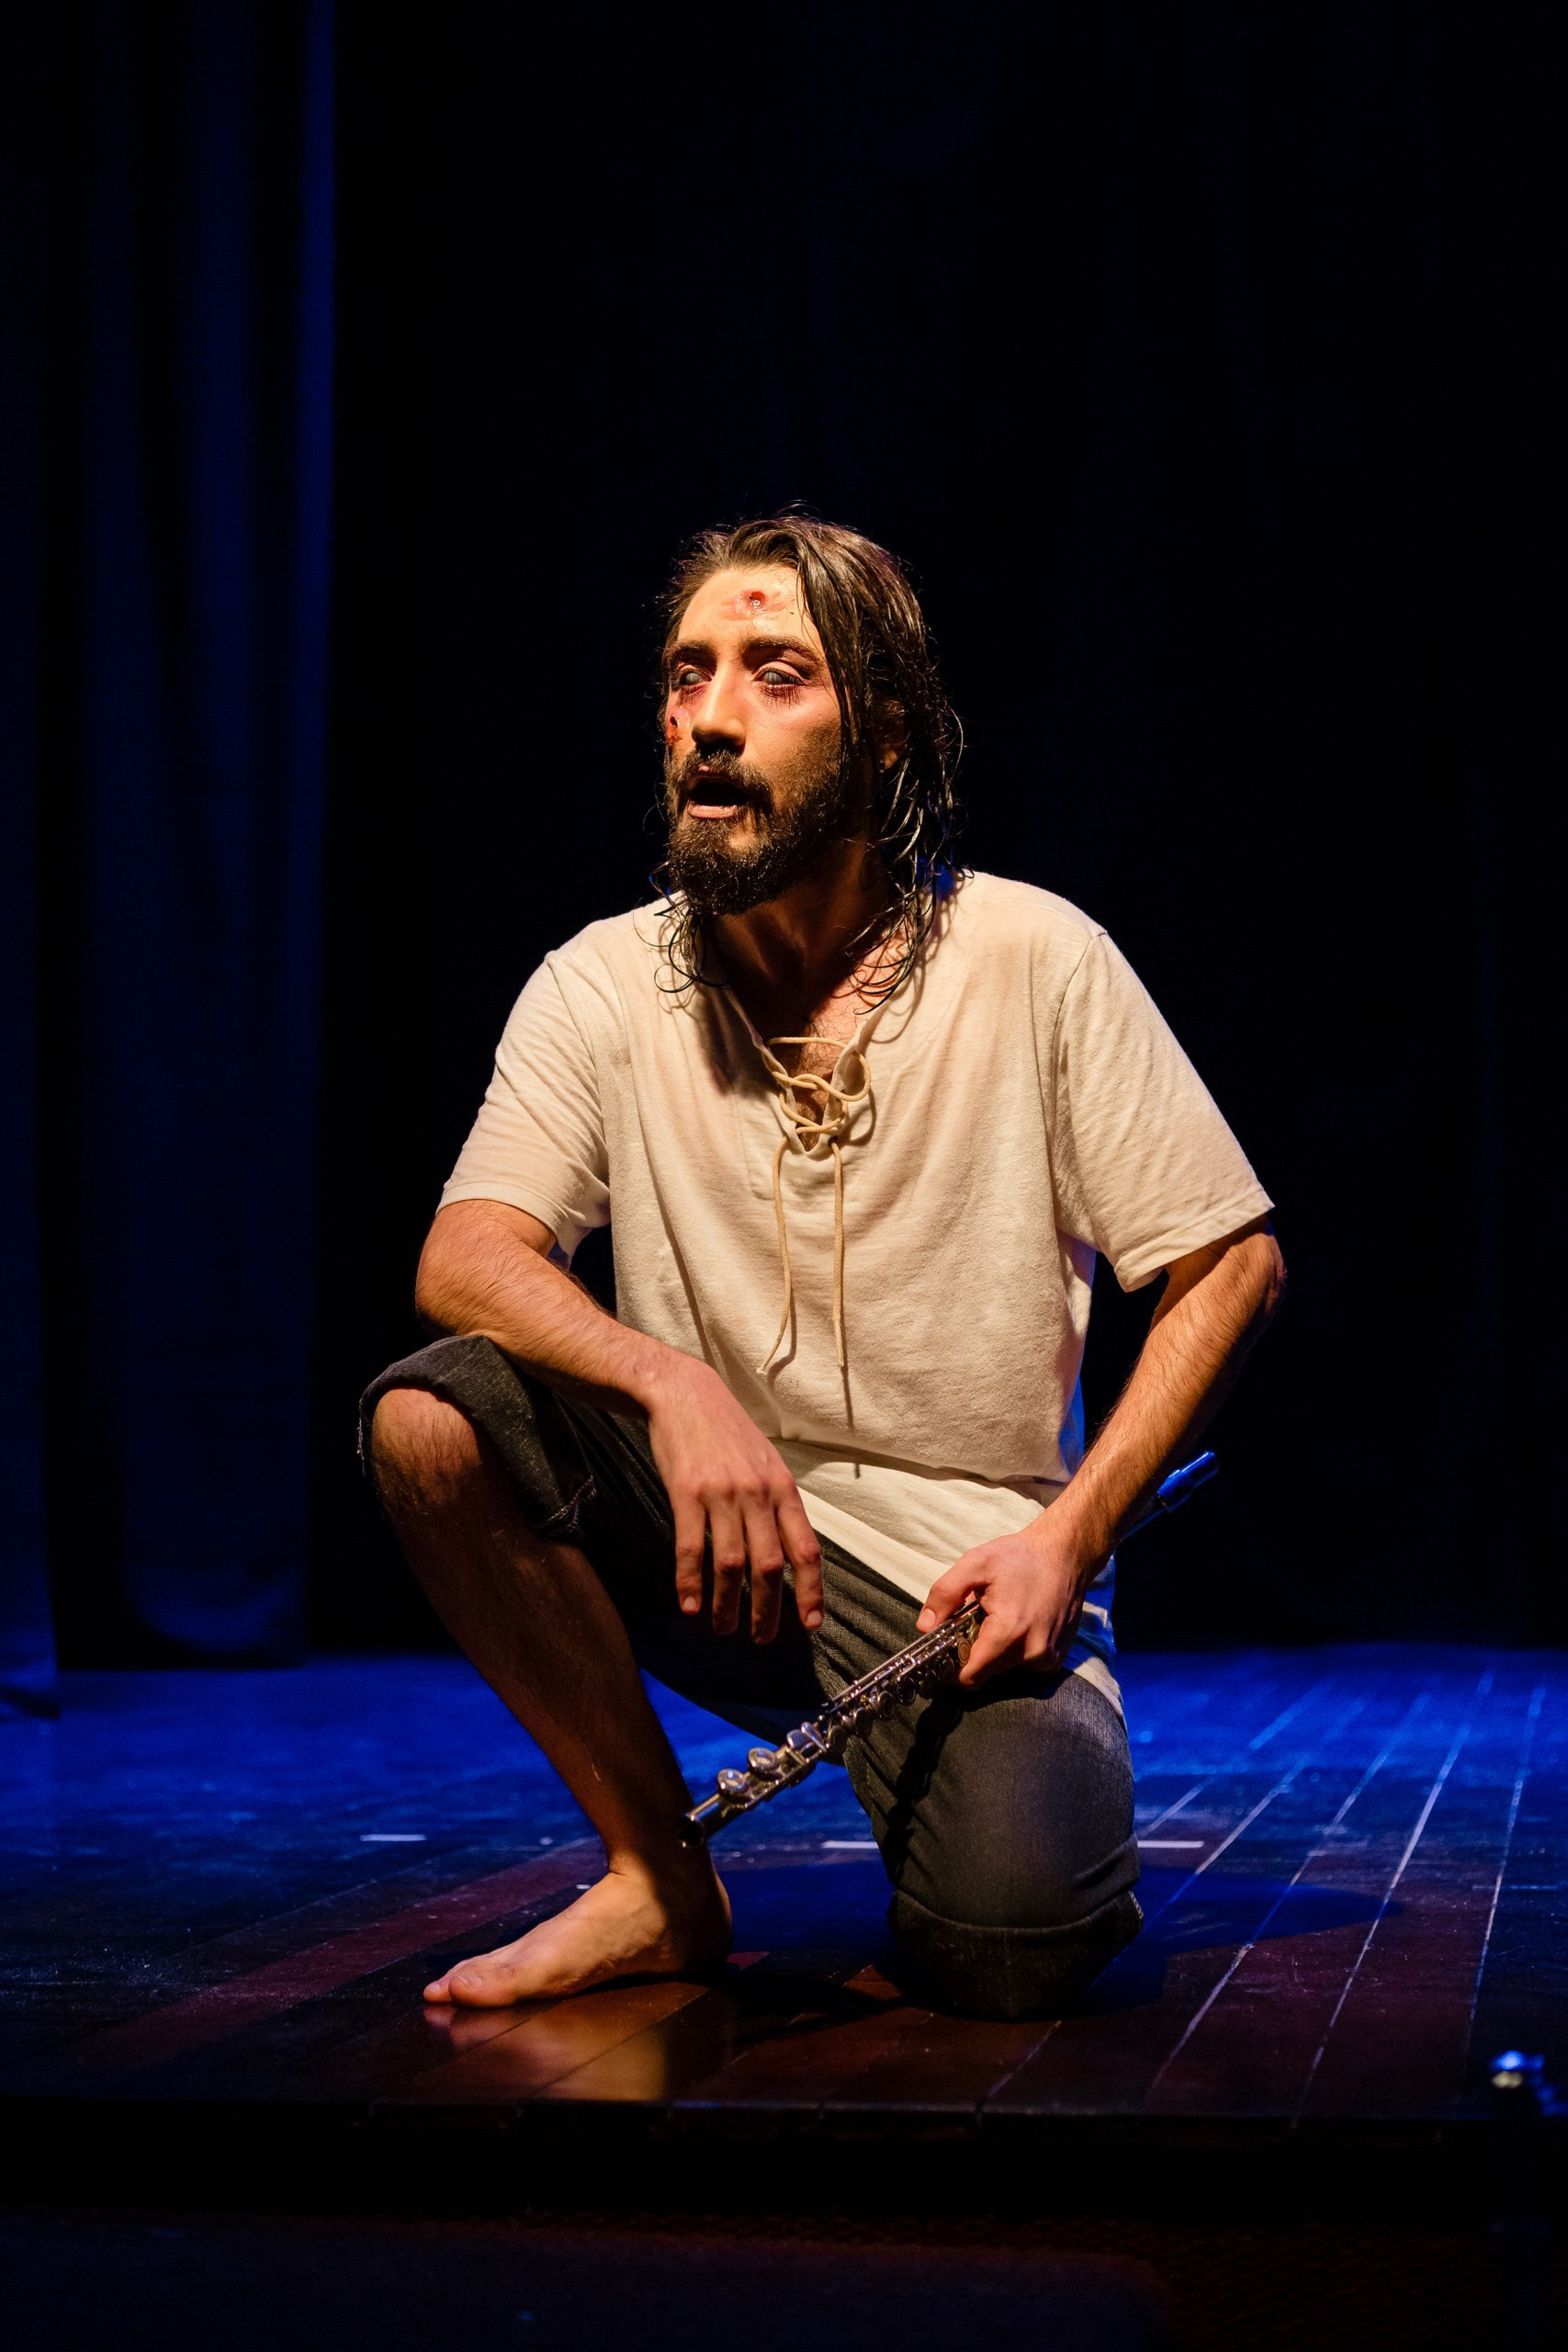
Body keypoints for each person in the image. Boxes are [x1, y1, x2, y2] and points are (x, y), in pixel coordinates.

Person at [364, 515, 1284, 2022]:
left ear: (885, 737)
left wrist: (1070, 1538)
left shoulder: (1032, 957)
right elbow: (465, 1254)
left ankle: (960, 1796)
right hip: (706, 1540)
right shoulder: (602, 981)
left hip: (957, 1582)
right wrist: (670, 1387)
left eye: (775, 675)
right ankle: (656, 1875)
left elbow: (1231, 1263)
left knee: (1014, 1947)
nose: (710, 718)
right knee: (430, 1420)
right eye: (689, 675)